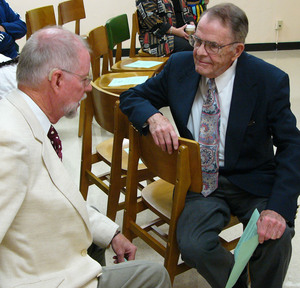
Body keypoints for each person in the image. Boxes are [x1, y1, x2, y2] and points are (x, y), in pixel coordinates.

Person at [120, 3, 300, 288]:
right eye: (197, 40)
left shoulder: (268, 80)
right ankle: (236, 284)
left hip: (253, 180)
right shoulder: (180, 66)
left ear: (236, 50)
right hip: (202, 180)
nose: (200, 52)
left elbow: (292, 146)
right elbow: (131, 97)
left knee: (276, 239)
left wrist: (278, 208)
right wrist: (153, 117)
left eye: (213, 46)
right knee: (193, 244)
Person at [0, 26, 171, 288]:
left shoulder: (24, 115)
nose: (89, 88)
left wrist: (111, 232)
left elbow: (56, 195)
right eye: (84, 79)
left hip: (52, 252)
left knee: (99, 247)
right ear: (57, 80)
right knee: (156, 275)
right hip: (43, 276)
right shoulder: (10, 142)